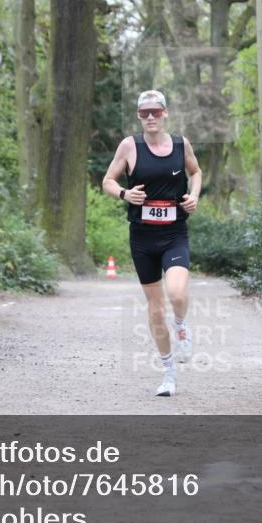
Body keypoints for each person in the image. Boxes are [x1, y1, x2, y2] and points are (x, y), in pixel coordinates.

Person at [102, 90, 202, 397]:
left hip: (174, 234)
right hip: (143, 237)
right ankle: (168, 373)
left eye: (155, 112)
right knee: (156, 309)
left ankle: (182, 325)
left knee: (176, 292)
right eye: (144, 113)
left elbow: (195, 172)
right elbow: (108, 180)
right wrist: (124, 194)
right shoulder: (130, 146)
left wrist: (194, 196)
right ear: (138, 116)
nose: (149, 117)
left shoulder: (180, 144)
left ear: (165, 113)